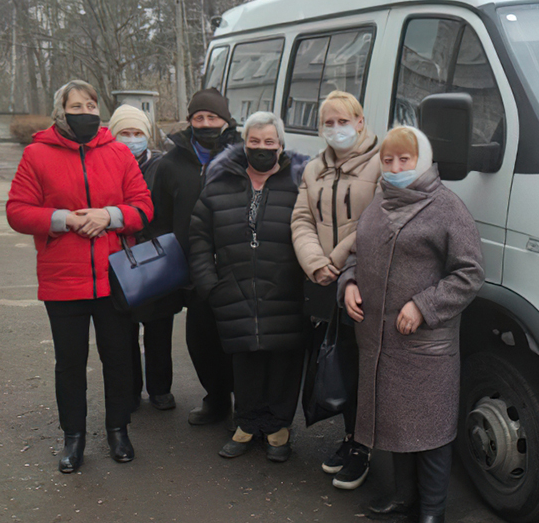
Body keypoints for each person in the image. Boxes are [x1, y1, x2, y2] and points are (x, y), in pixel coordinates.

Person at [6, 80, 154, 473]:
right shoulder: (37, 155)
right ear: (62, 111)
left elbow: (143, 206)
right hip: (63, 279)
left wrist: (110, 216)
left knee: (119, 358)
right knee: (70, 363)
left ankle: (118, 430)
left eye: (91, 104)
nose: (86, 111)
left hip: (114, 277)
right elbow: (17, 211)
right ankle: (73, 438)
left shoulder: (118, 153)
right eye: (77, 105)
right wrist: (65, 219)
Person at [339, 127, 485, 523]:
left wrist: (424, 306)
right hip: (382, 342)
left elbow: (469, 273)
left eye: (405, 159)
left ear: (422, 160)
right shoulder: (380, 203)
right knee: (396, 427)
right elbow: (357, 252)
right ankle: (404, 498)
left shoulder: (446, 207)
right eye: (388, 160)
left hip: (424, 344)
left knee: (430, 431)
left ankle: (432, 511)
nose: (396, 167)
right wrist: (348, 282)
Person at [189, 111, 307, 462]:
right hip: (234, 291)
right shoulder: (221, 182)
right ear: (244, 144)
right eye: (254, 142)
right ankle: (246, 423)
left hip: (285, 293)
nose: (261, 148)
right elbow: (198, 239)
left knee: (283, 362)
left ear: (281, 146)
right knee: (245, 360)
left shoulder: (300, 184)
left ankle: (278, 428)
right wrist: (210, 285)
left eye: (269, 142)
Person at [291, 90, 380, 489]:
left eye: (344, 121)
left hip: (363, 280)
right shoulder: (313, 169)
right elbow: (301, 219)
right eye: (328, 122)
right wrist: (315, 263)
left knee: (366, 367)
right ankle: (350, 438)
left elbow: (377, 218)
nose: (336, 129)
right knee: (340, 363)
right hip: (324, 282)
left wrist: (338, 260)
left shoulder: (381, 162)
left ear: (360, 123)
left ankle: (366, 445)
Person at [150, 88, 240, 426]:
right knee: (200, 341)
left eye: (212, 117)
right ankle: (215, 400)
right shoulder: (171, 164)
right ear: (189, 121)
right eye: (198, 117)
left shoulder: (242, 156)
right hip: (192, 269)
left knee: (236, 338)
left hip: (236, 265)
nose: (205, 123)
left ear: (225, 120)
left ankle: (243, 403)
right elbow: (159, 217)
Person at [108, 105, 182, 412]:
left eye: (137, 132)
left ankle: (160, 389)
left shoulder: (162, 166)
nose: (132, 139)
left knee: (159, 328)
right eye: (124, 133)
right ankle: (129, 391)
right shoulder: (104, 165)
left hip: (154, 259)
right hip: (117, 258)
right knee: (122, 331)